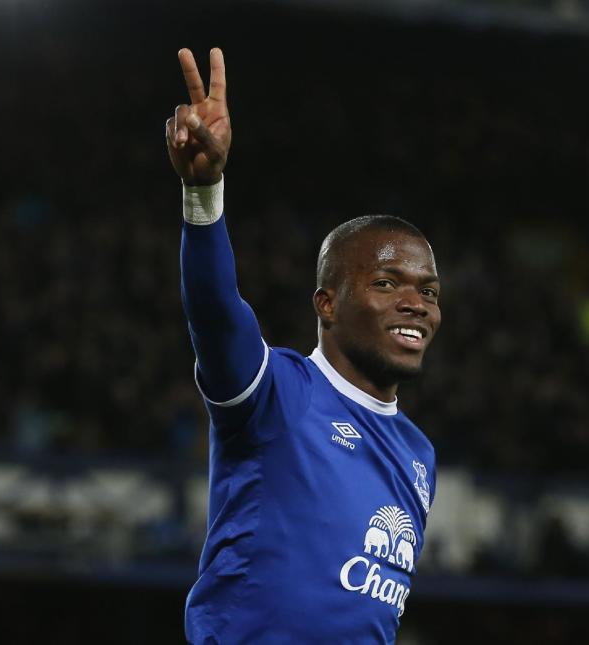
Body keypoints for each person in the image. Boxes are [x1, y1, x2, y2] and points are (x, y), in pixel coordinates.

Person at [167, 47, 441, 644]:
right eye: (387, 283)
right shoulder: (278, 395)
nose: (416, 304)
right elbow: (214, 313)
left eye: (429, 291)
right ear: (327, 304)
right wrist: (205, 193)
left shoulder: (420, 458)